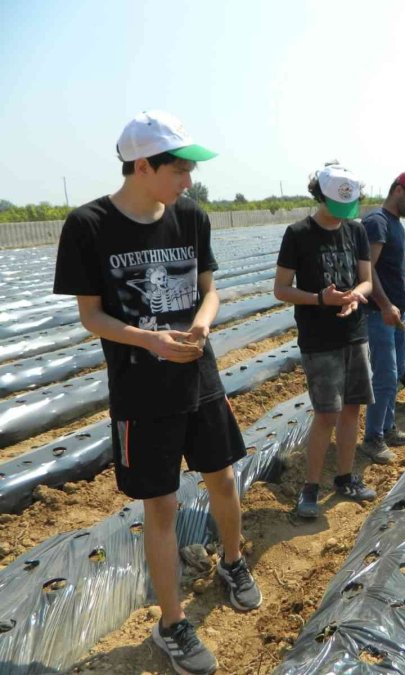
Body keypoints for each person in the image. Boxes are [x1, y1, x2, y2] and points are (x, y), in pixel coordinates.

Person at [53, 110, 260, 675]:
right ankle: (171, 623)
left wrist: (202, 325)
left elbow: (208, 291)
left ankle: (233, 562)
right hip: (142, 394)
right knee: (162, 504)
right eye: (180, 170)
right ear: (143, 166)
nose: (188, 182)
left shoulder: (190, 216)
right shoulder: (89, 225)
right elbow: (92, 316)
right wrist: (148, 340)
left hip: (200, 377)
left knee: (221, 477)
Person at [274, 163, 377, 519]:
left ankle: (346, 477)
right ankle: (310, 488)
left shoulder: (357, 231)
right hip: (319, 339)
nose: (344, 215)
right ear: (321, 196)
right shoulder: (298, 234)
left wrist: (353, 297)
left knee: (352, 409)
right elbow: (281, 289)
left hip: (355, 333)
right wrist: (321, 299)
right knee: (326, 414)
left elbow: (366, 280)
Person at [360, 171, 405, 464]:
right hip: (379, 314)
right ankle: (372, 437)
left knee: (397, 371)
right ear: (399, 191)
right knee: (386, 375)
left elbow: (399, 275)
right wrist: (385, 305)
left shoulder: (397, 226)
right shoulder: (376, 223)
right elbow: (367, 270)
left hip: (396, 311)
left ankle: (388, 427)